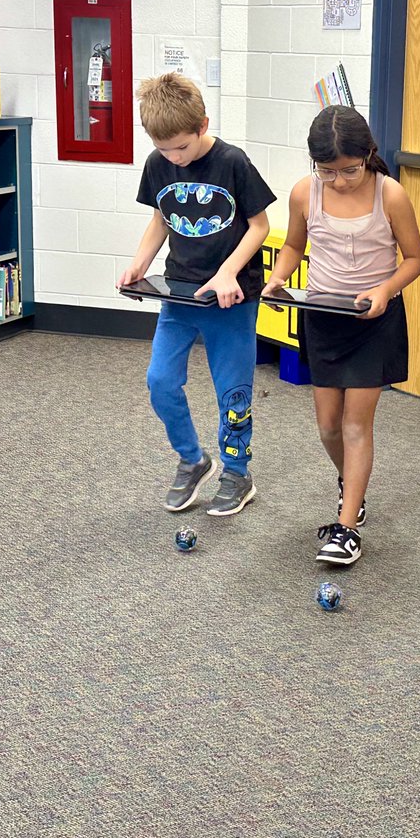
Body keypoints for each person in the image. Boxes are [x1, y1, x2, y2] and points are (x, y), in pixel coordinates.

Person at [262, 106, 420, 565]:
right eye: (327, 171)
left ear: (368, 155)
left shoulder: (390, 195)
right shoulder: (303, 193)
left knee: (356, 424)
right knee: (328, 425)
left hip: (374, 320)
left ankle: (347, 526)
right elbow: (294, 245)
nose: (339, 180)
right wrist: (278, 278)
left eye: (349, 170)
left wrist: (384, 288)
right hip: (323, 316)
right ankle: (351, 486)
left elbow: (414, 259)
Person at [118, 73, 276, 516]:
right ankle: (192, 459)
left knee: (234, 393)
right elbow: (161, 219)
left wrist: (228, 273)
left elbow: (259, 226)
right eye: (164, 149)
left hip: (231, 299)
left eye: (181, 148)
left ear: (203, 125)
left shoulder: (233, 162)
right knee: (160, 381)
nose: (175, 158)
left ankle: (237, 472)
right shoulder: (158, 161)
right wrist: (139, 264)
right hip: (180, 296)